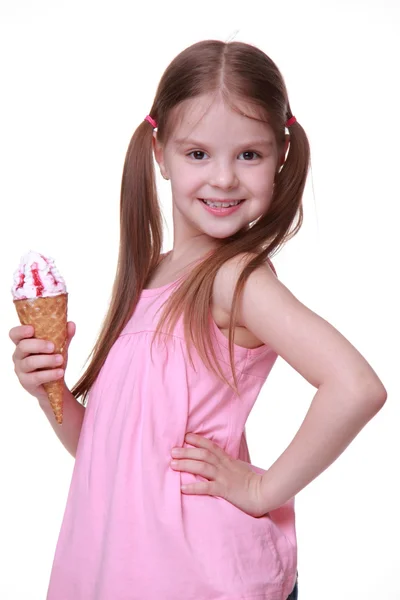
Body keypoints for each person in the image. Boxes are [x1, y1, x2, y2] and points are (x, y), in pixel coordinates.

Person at [10, 39, 386, 600]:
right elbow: (112, 453)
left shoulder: (235, 279)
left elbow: (356, 386)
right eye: (198, 154)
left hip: (200, 577)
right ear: (159, 152)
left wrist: (264, 489)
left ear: (280, 156)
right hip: (118, 570)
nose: (225, 179)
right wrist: (50, 393)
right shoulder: (149, 280)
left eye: (249, 155)